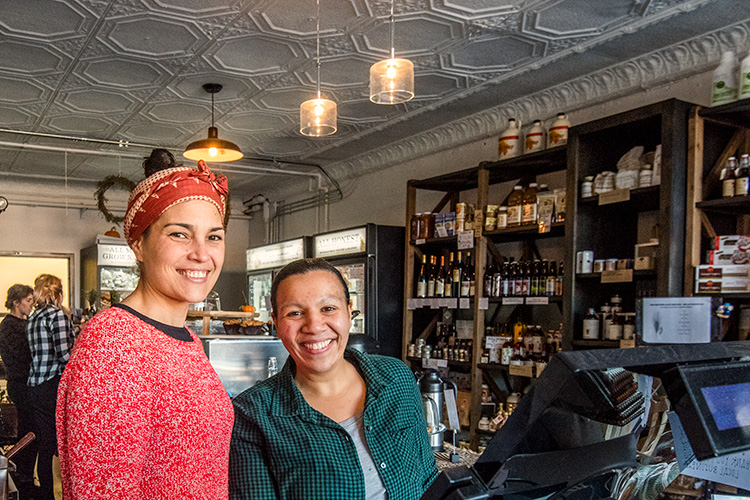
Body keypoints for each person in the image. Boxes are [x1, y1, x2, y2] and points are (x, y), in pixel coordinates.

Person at [56, 149, 234, 499]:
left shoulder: (185, 339)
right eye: (180, 234)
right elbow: (105, 490)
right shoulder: (113, 345)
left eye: (214, 236)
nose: (201, 253)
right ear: (138, 243)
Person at [229, 258, 437, 500]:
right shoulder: (252, 414)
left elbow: (428, 479)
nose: (314, 326)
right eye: (295, 313)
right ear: (276, 322)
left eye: (328, 308)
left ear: (349, 311)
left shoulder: (396, 378)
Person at [26, 273, 75, 500]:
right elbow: (64, 355)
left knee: (44, 444)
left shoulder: (33, 317)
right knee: (61, 445)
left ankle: (45, 493)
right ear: (58, 292)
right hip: (52, 385)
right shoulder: (57, 315)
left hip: (35, 383)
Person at [0, 284, 38, 498]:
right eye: (28, 301)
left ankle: (24, 476)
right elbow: (22, 357)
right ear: (16, 302)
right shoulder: (10, 326)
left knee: (30, 431)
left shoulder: (23, 324)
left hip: (24, 383)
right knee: (28, 432)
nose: (31, 305)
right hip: (20, 384)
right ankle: (23, 478)